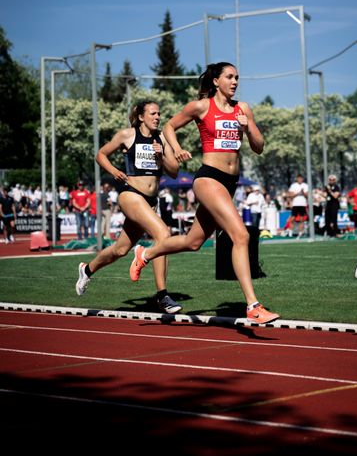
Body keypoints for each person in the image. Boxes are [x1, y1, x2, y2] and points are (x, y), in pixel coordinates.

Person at [129, 62, 280, 325]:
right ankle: (253, 306)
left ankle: (146, 254)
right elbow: (168, 128)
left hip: (230, 182)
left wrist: (247, 128)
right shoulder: (201, 106)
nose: (235, 82)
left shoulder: (242, 109)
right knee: (240, 235)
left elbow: (259, 147)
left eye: (237, 77)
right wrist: (174, 149)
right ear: (215, 81)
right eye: (229, 77)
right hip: (209, 178)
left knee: (193, 242)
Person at [75, 100, 182, 314]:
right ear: (141, 116)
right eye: (152, 113)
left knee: (121, 249)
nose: (157, 117)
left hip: (150, 201)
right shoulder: (128, 135)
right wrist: (114, 171)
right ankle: (162, 296)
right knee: (163, 235)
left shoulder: (162, 138)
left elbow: (174, 171)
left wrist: (161, 155)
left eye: (159, 113)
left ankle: (87, 270)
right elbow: (101, 155)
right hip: (130, 194)